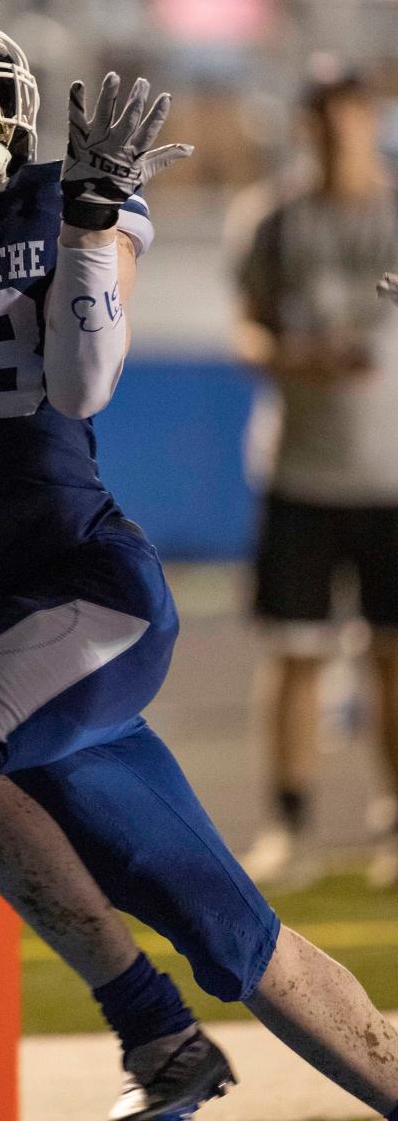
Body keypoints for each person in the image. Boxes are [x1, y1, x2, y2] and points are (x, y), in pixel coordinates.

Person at [0, 10, 398, 1121]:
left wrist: (95, 227)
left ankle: (155, 1036)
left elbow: (85, 382)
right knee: (237, 935)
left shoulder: (59, 200)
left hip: (87, 591)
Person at [231, 66, 398, 892]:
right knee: (293, 651)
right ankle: (288, 822)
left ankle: (392, 822)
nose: (340, 132)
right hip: (299, 468)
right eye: (324, 117)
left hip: (391, 472)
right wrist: (298, 357)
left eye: (352, 115)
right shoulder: (273, 219)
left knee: (393, 655)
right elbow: (246, 329)